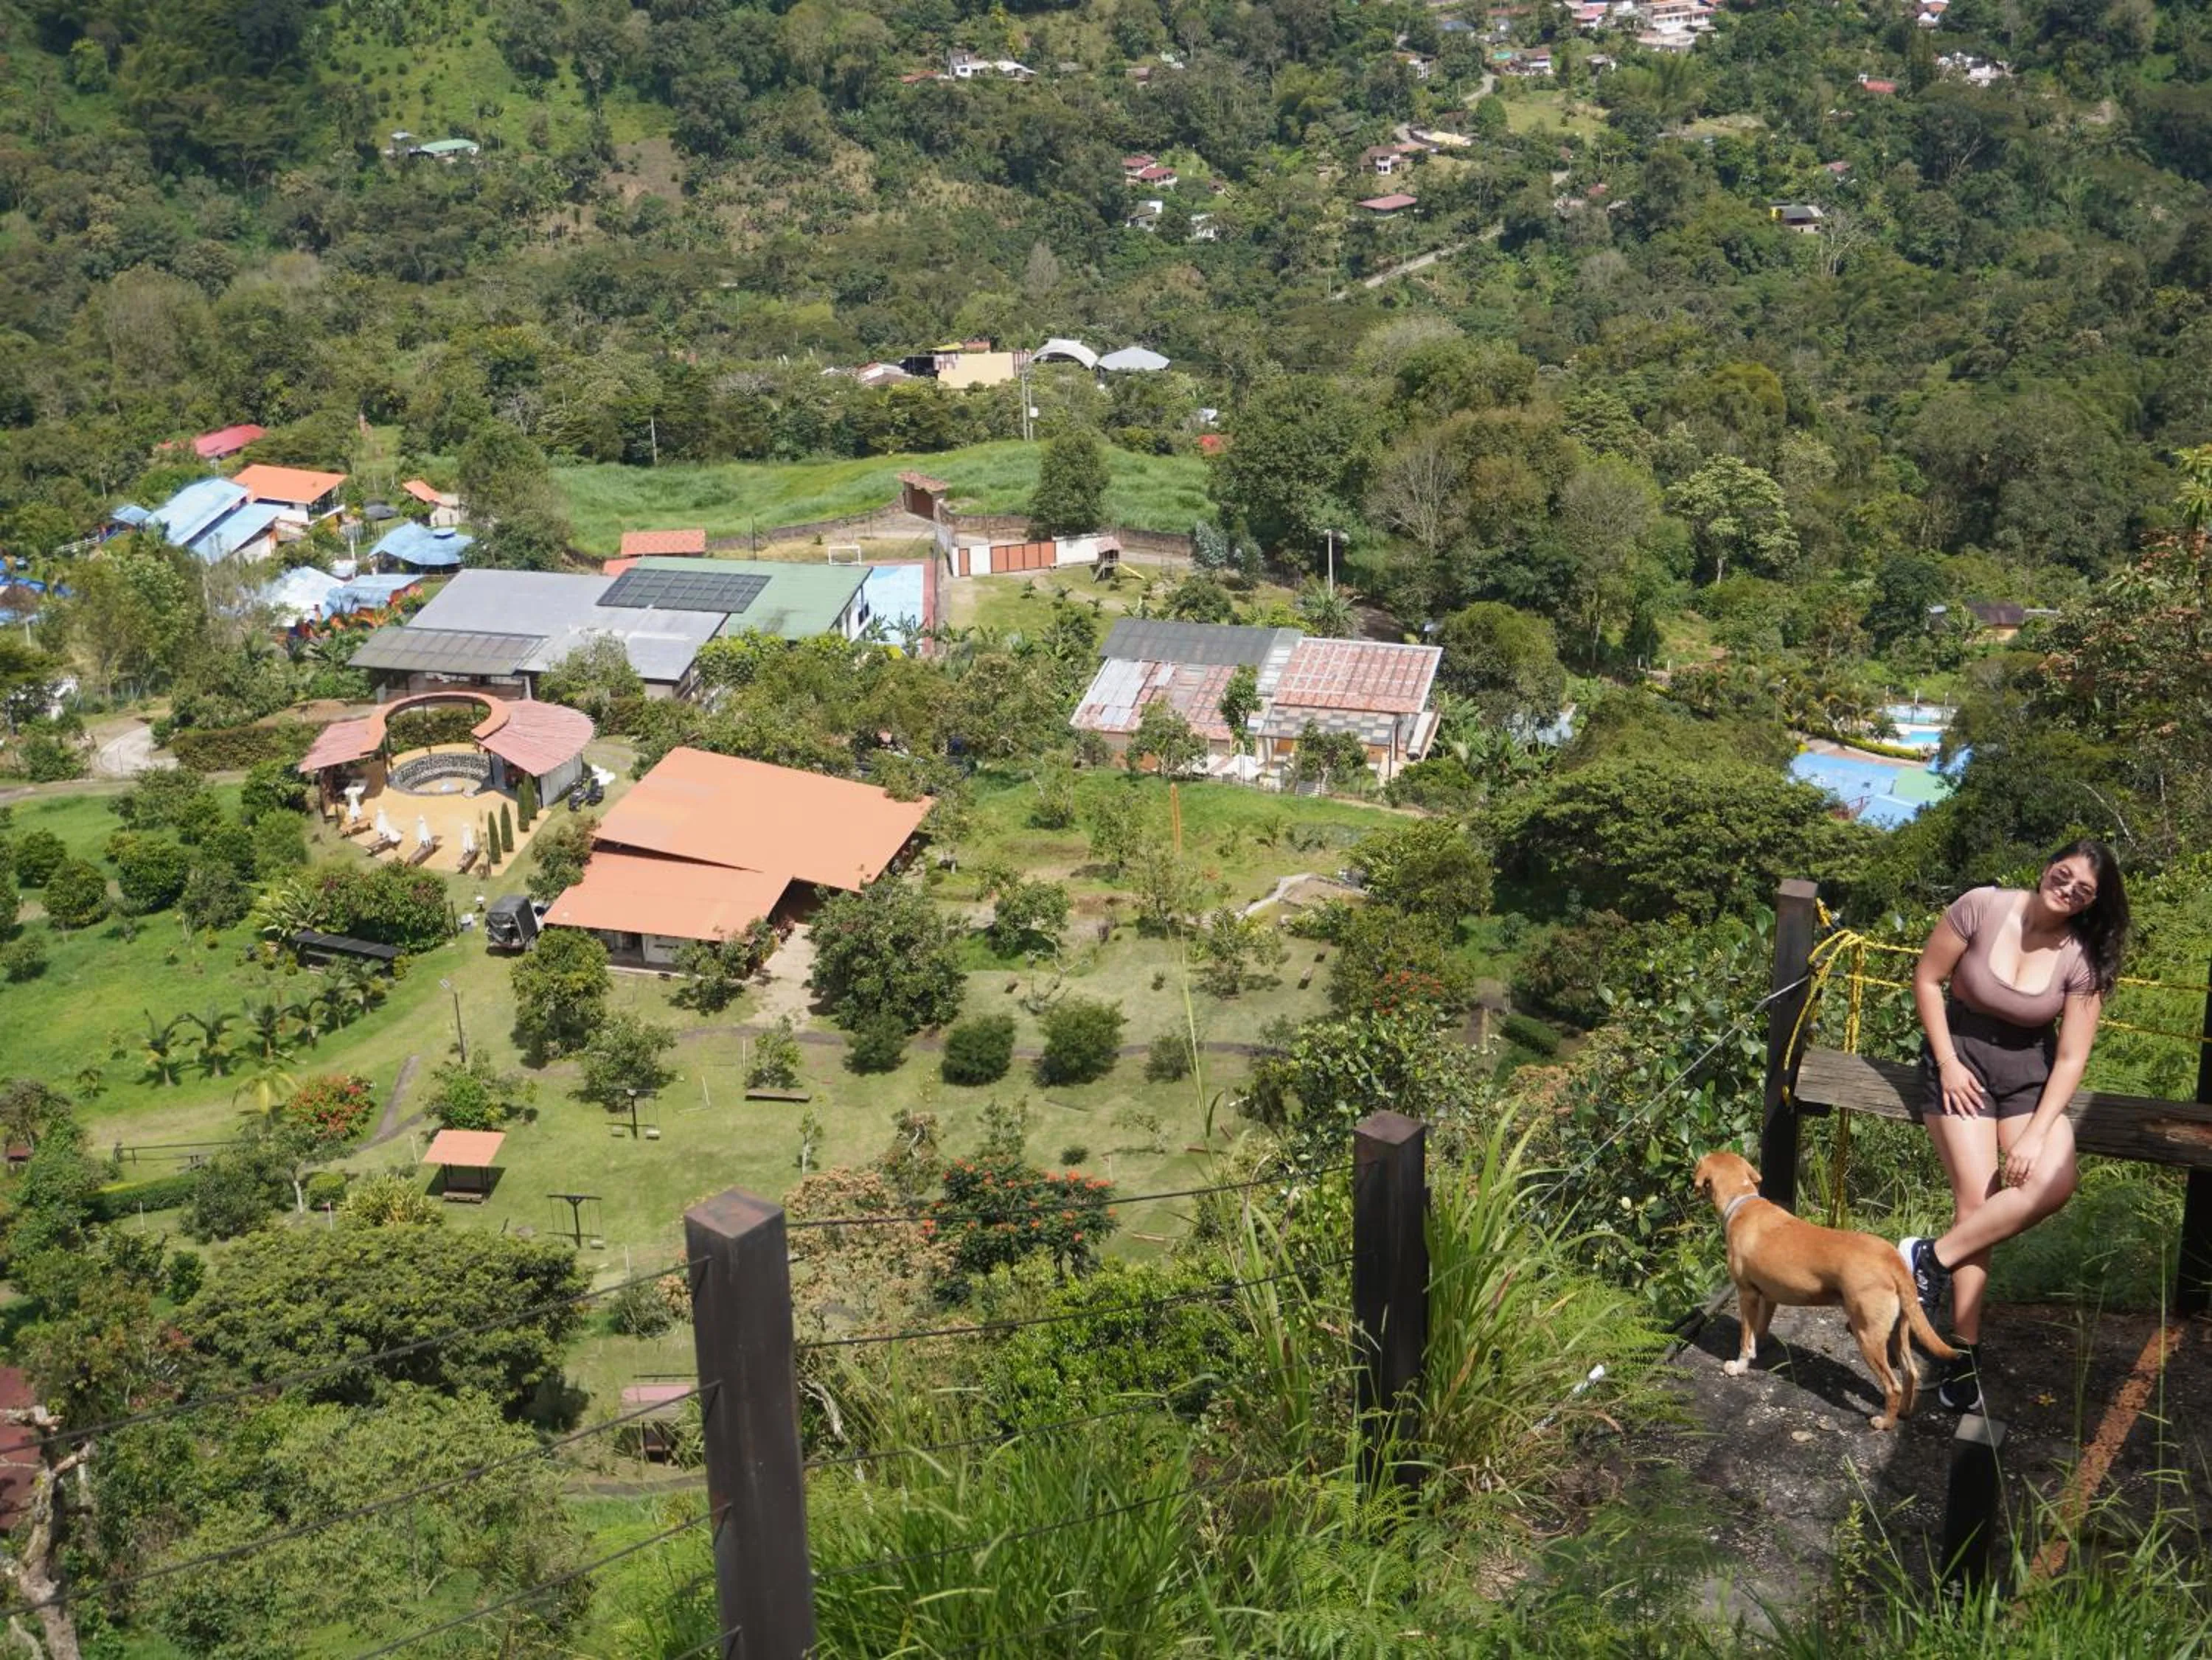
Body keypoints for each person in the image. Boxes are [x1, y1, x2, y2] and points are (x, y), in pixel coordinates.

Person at [1898, 840, 2129, 1412]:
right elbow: (1927, 979)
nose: (2069, 888)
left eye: (2085, 890)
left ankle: (1927, 1258)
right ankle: (1959, 1357)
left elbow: (2072, 1059)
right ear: (2049, 865)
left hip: (2030, 1075)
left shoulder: (2082, 957)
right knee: (1978, 1205)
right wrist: (1947, 1062)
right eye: (2065, 873)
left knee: (2054, 1181)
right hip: (1962, 1065)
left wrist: (2032, 1134)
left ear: (2090, 903)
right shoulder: (1981, 905)